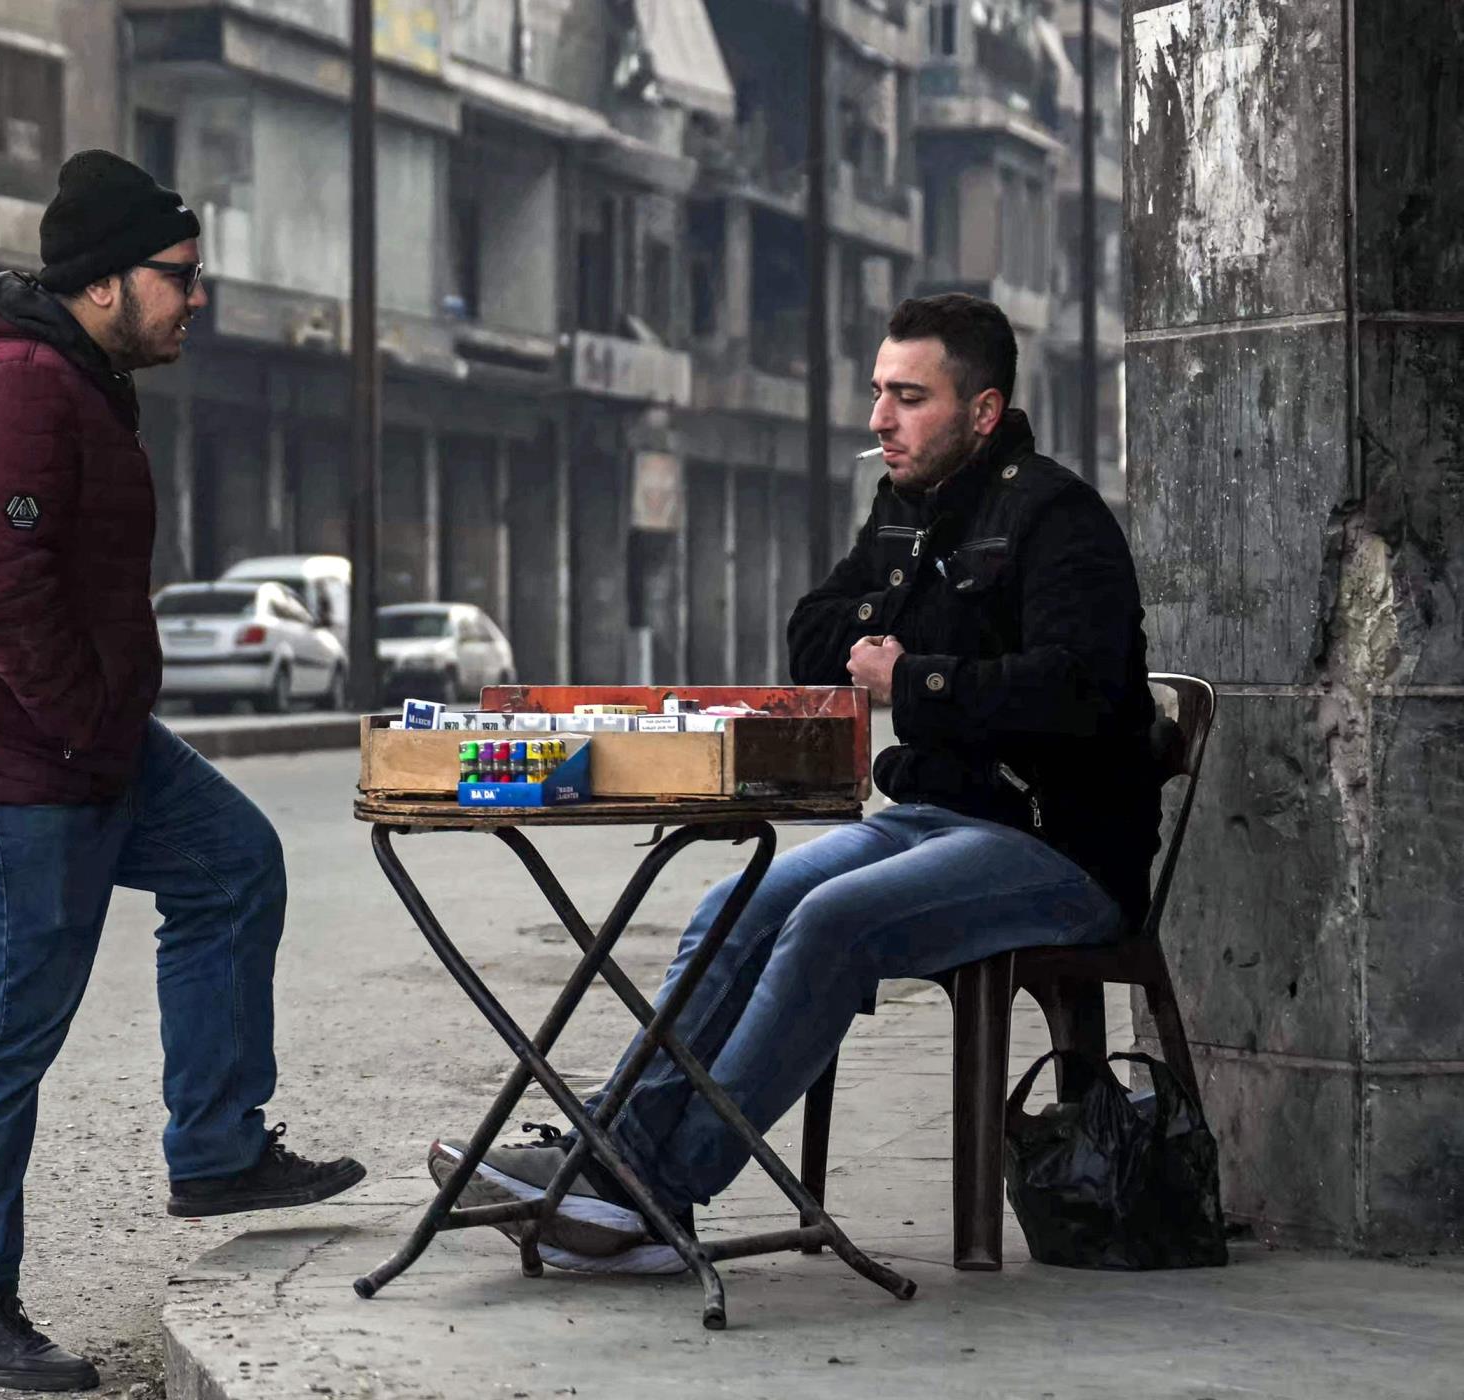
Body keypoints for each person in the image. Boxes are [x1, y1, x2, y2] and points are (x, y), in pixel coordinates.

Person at [428, 293, 1161, 1274]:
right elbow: (814, 639)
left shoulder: (1058, 519)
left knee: (831, 922)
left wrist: (916, 677)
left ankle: (652, 1185)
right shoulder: (905, 512)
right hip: (941, 815)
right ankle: (614, 1159)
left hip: (1059, 843)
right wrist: (883, 634)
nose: (879, 420)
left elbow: (1080, 688)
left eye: (908, 397)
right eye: (877, 393)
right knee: (739, 900)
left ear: (982, 412)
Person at [0, 150, 365, 1391]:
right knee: (1, 1027)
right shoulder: (14, 388)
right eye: (181, 276)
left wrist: (98, 734)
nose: (197, 298)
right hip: (0, 759)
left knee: (234, 863)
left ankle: (214, 1144)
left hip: (66, 738)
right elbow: (0, 592)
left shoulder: (69, 375)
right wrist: (93, 735)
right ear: (104, 283)